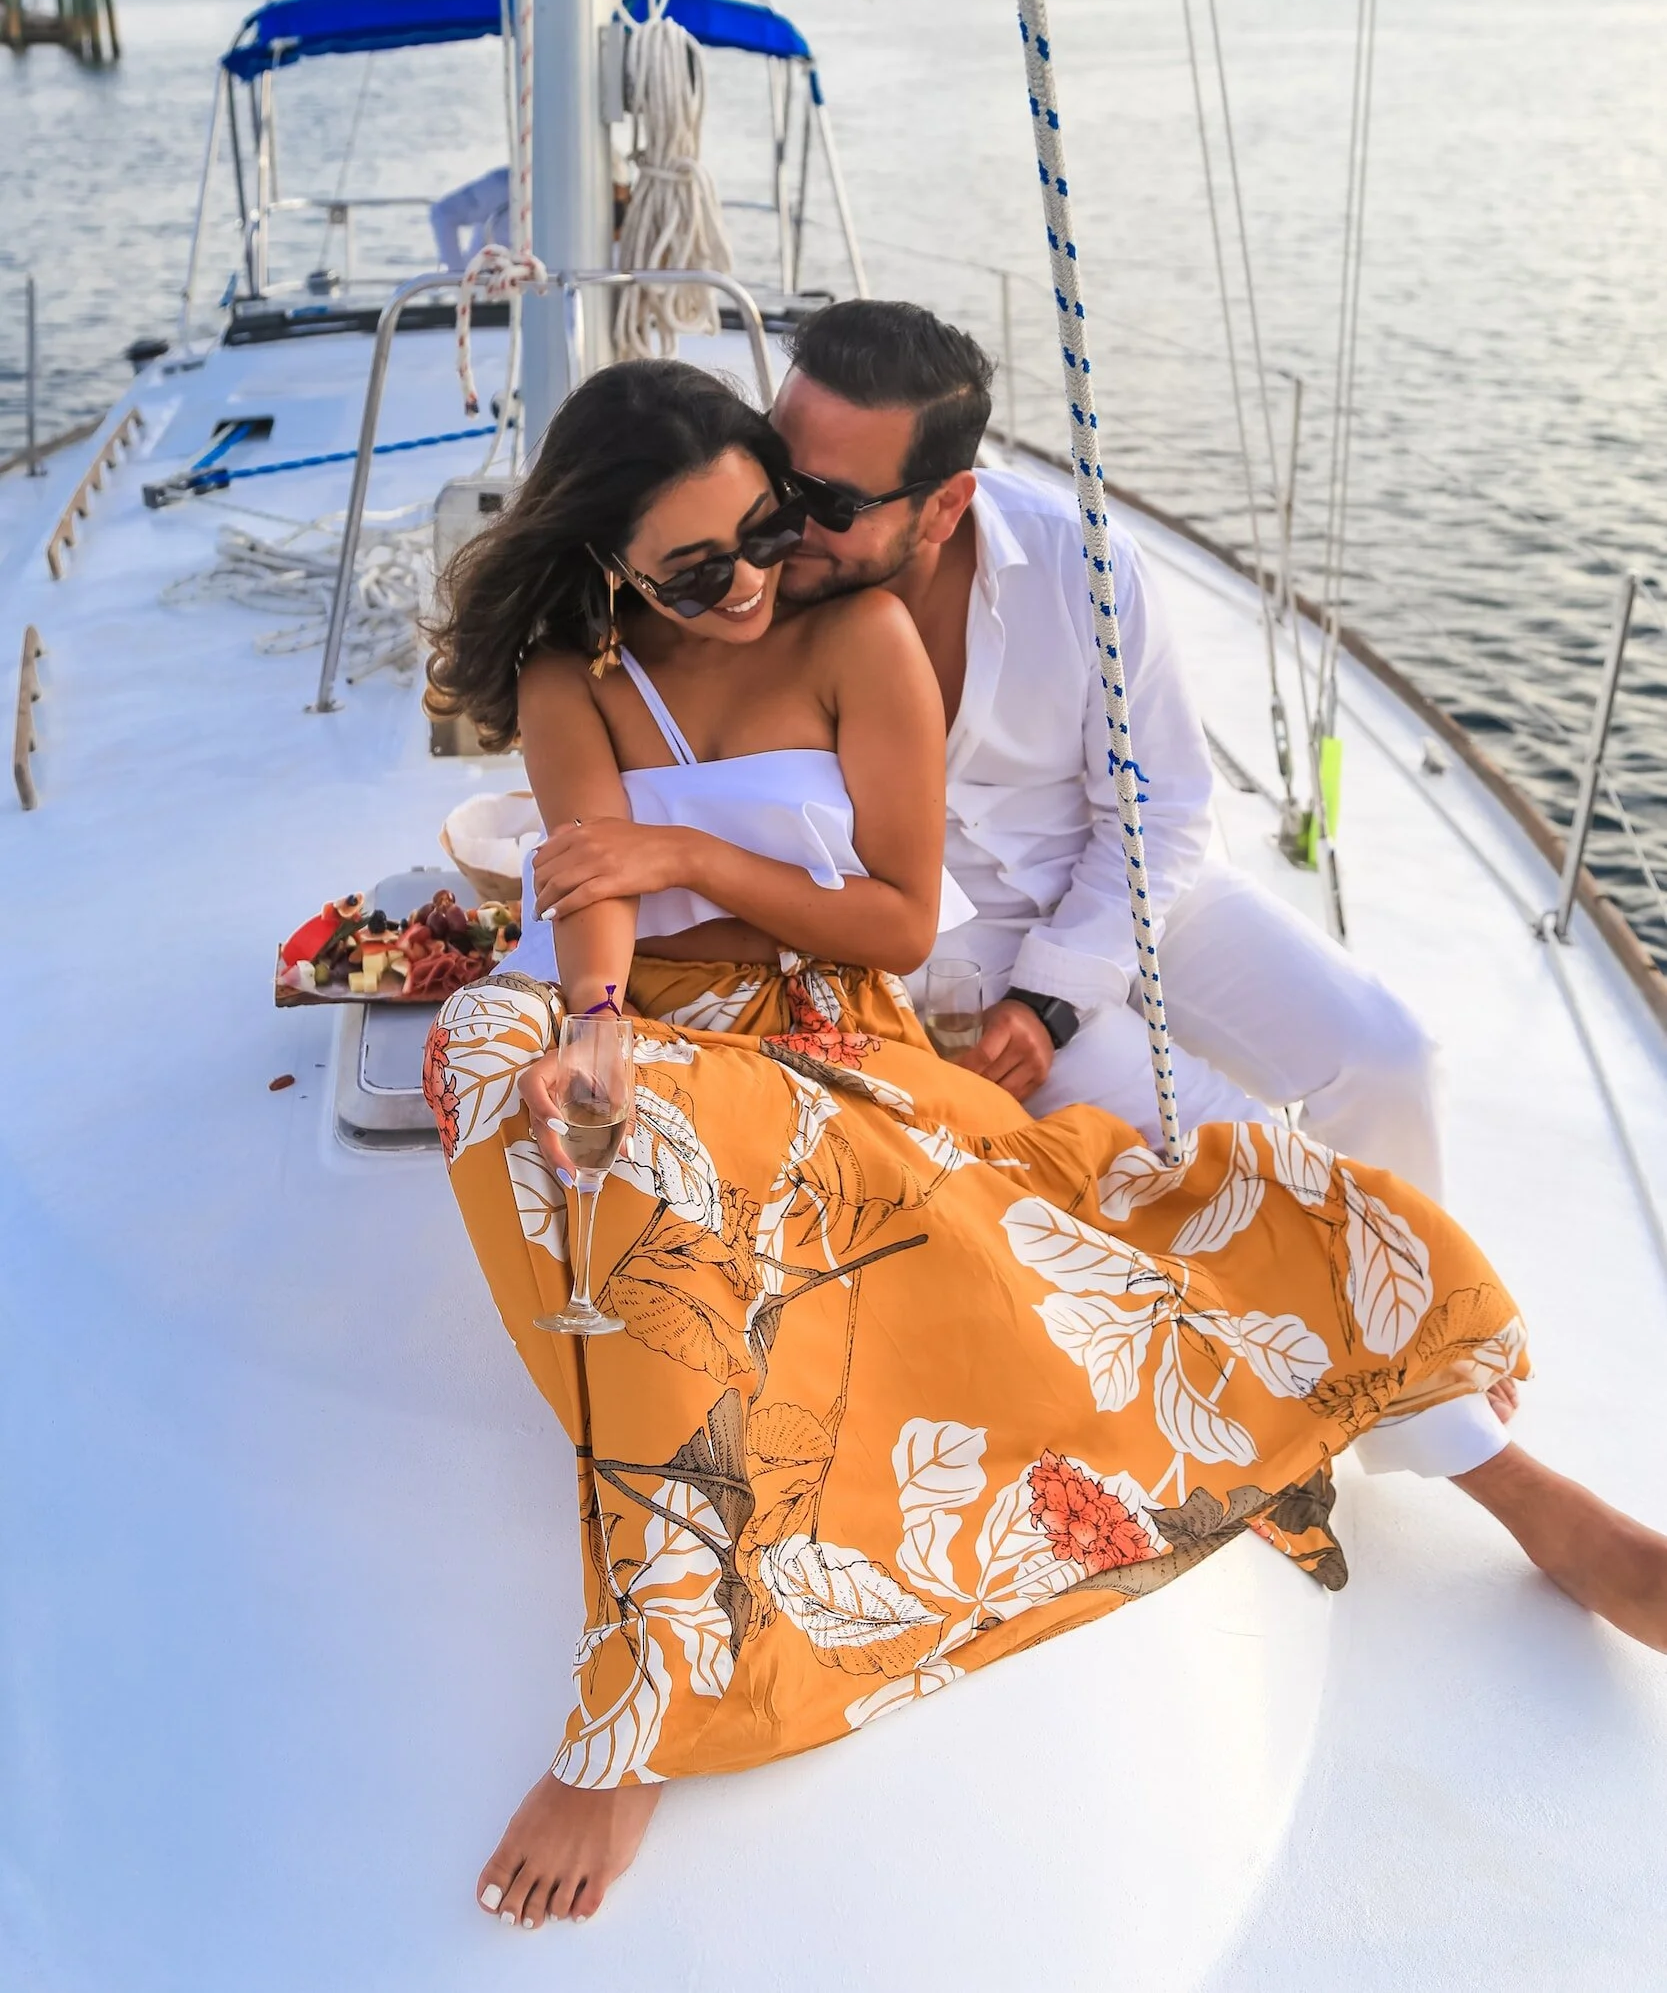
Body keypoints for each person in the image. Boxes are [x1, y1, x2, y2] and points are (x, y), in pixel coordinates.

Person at [421, 356, 1664, 1933]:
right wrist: (592, 1012)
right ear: (608, 561)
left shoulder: (850, 630)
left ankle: (641, 1705)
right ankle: (673, 1620)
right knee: (503, 1055)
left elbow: (891, 916)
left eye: (764, 532)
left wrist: (684, 847)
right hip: (654, 1020)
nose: (746, 583)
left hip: (828, 1022)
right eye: (696, 566)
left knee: (845, 1204)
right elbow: (585, 878)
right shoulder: (569, 671)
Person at [770, 300, 1445, 1193]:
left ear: (943, 509)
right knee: (1255, 1169)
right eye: (776, 471)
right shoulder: (753, 590)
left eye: (831, 502)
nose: (785, 519)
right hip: (962, 960)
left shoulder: (1081, 561)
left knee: (1391, 1059)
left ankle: (1432, 1326)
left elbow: (1159, 807)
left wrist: (1056, 996)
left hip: (1137, 896)